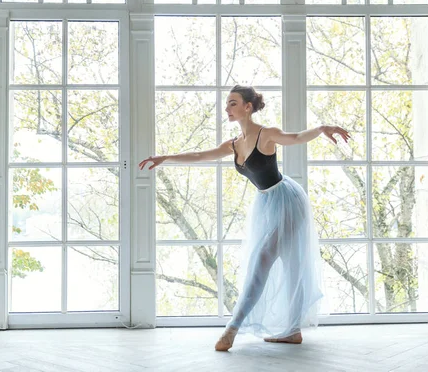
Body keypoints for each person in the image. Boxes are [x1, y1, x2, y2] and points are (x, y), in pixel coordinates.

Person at [139, 85, 350, 351]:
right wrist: (166, 158)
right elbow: (202, 155)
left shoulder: (267, 134)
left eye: (232, 103)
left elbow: (295, 137)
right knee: (278, 261)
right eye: (227, 104)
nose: (227, 108)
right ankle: (292, 331)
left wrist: (322, 128)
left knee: (277, 262)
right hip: (265, 202)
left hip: (286, 200)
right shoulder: (235, 144)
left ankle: (232, 329)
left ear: (247, 107)